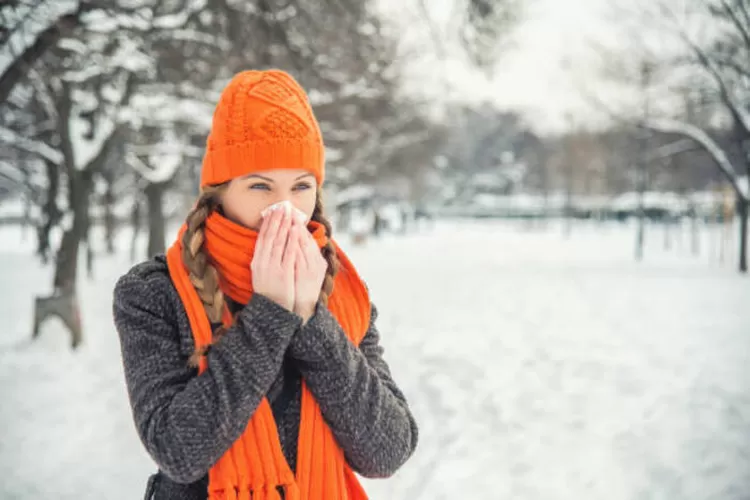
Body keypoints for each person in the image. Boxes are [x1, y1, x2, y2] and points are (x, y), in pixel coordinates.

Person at [113, 69, 418, 500]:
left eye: (301, 186)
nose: (286, 209)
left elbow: (387, 451)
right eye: (260, 185)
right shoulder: (153, 293)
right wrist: (272, 313)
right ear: (218, 192)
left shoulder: (344, 293)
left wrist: (312, 319)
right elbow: (177, 451)